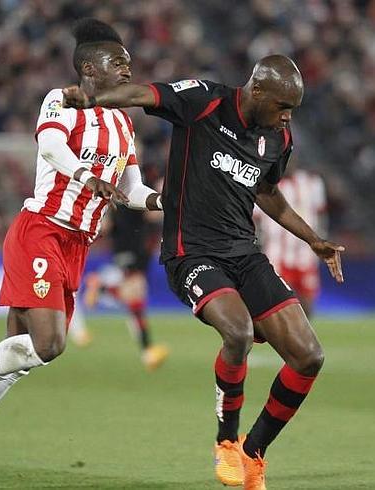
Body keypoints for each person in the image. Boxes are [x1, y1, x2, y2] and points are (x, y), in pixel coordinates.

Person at [63, 54, 345, 490]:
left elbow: (267, 192)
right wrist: (92, 97)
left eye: (293, 108)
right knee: (239, 332)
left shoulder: (278, 137)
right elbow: (143, 94)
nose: (287, 116)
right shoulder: (204, 102)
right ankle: (226, 441)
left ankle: (254, 451)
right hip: (190, 253)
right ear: (256, 90)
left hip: (244, 254)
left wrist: (313, 239)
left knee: (309, 356)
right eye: (282, 105)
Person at [0, 19, 162, 490]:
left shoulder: (124, 123)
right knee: (49, 345)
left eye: (128, 61)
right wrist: (87, 177)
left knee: (14, 363)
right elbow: (49, 145)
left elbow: (132, 188)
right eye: (117, 61)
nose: (127, 69)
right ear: (89, 68)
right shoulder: (61, 99)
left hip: (76, 245)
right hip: (42, 231)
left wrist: (164, 202)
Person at [84, 205, 169, 371]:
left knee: (135, 299)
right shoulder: (129, 197)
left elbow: (106, 225)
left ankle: (101, 288)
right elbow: (152, 214)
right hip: (131, 246)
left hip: (130, 246)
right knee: (135, 295)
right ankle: (148, 352)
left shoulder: (116, 199)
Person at [254, 161, 327, 318]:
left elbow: (320, 214)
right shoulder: (263, 185)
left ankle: (305, 331)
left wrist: (320, 239)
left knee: (307, 299)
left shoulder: (312, 182)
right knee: (276, 301)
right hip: (276, 253)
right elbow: (256, 219)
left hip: (304, 254)